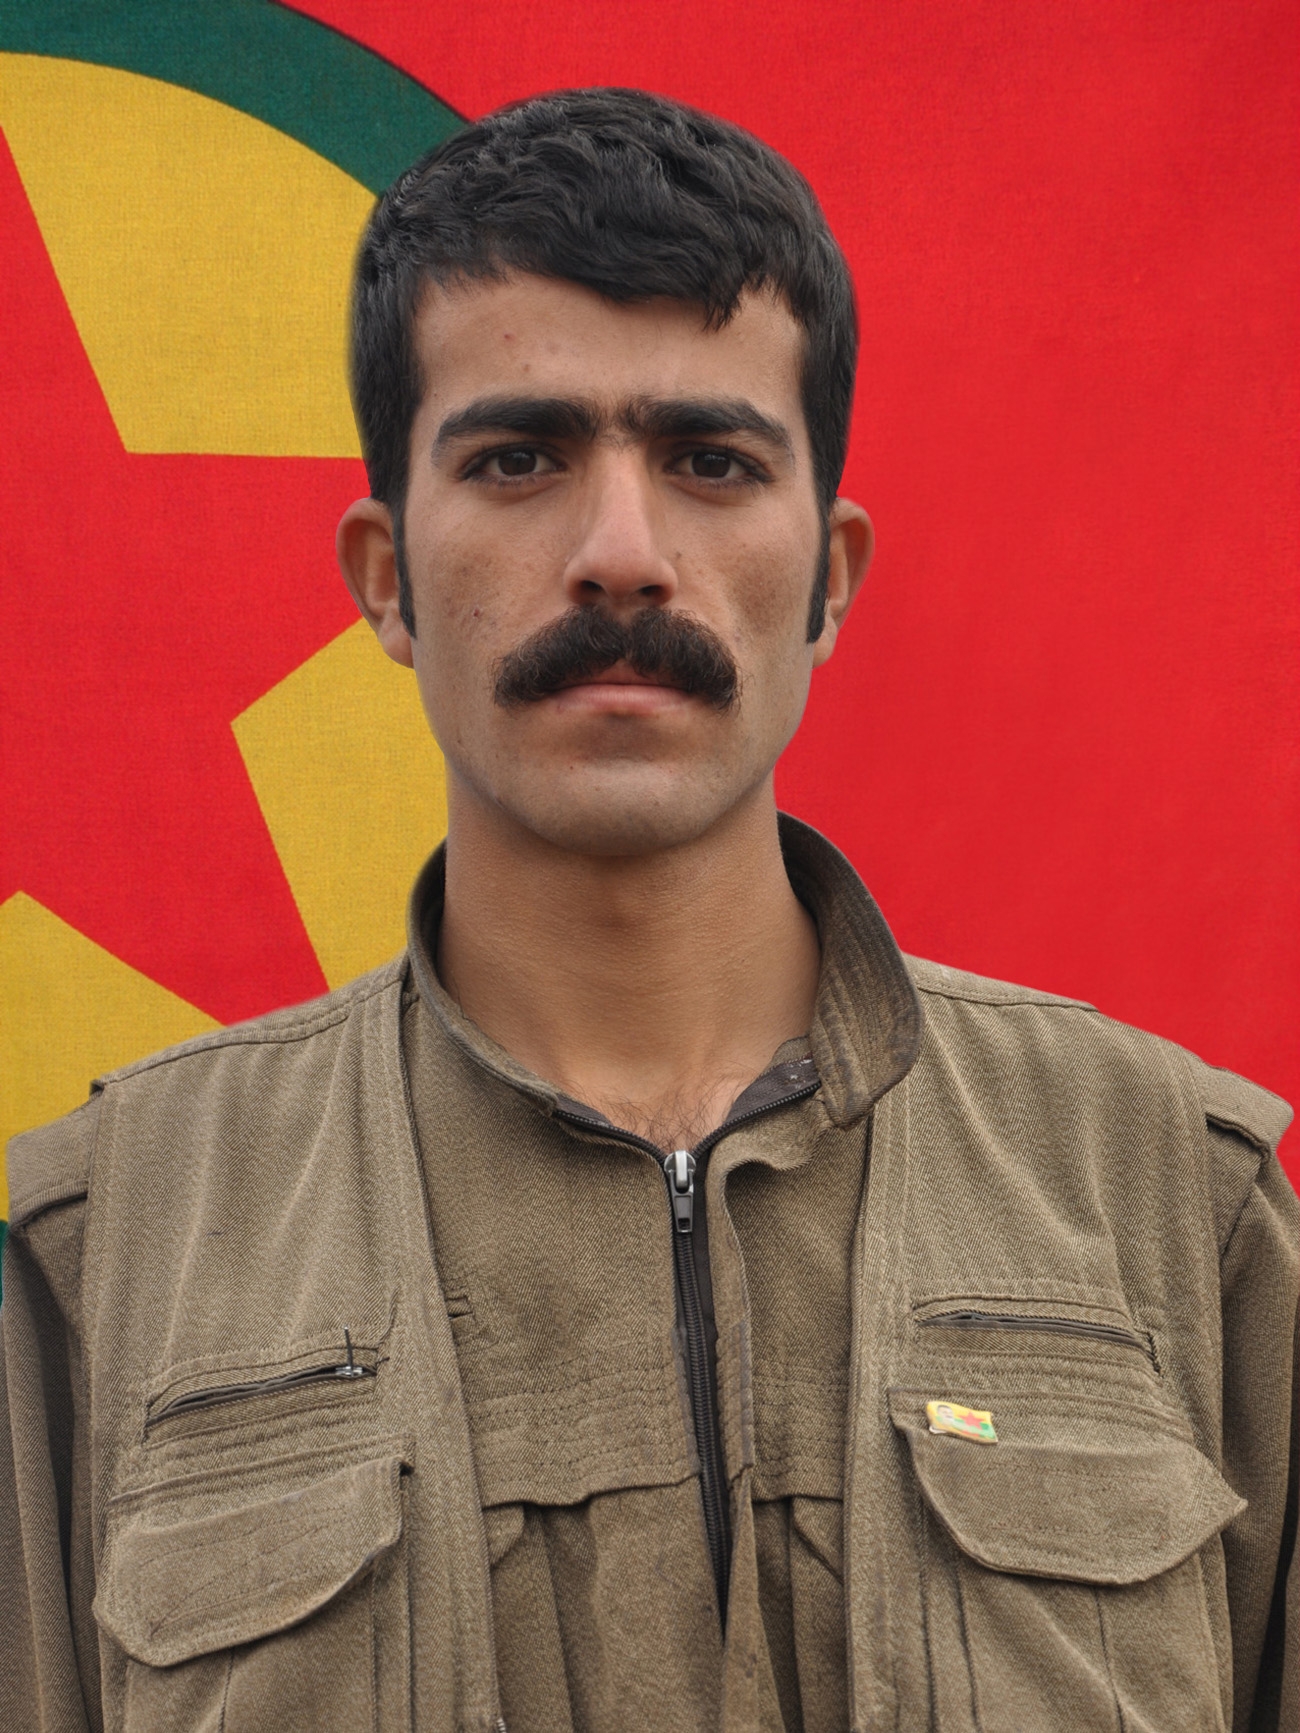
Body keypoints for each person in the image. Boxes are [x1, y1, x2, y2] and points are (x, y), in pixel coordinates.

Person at [1, 87, 1295, 1733]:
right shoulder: (107, 1255)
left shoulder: (1175, 1204)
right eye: (520, 458)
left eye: (709, 461)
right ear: (386, 575)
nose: (621, 554)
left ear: (830, 575)